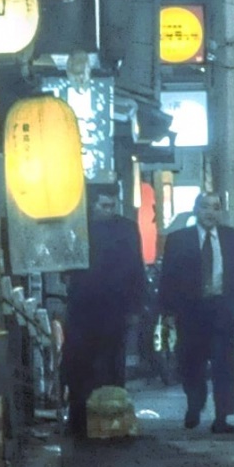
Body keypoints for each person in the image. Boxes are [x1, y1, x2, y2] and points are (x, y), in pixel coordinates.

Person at [155, 192, 234, 433]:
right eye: (205, 207)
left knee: (224, 365)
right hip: (191, 310)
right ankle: (194, 405)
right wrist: (168, 311)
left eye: (216, 207)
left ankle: (222, 416)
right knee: (192, 362)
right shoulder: (179, 239)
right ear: (196, 210)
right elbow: (168, 278)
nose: (210, 212)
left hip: (222, 308)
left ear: (221, 212)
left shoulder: (233, 238)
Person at [62, 189, 148, 441]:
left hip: (111, 306)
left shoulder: (125, 228)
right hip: (86, 306)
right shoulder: (80, 228)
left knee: (111, 364)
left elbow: (136, 265)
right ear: (93, 206)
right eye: (104, 205)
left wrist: (135, 305)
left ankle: (112, 419)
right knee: (81, 364)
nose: (109, 210)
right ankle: (83, 419)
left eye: (112, 205)